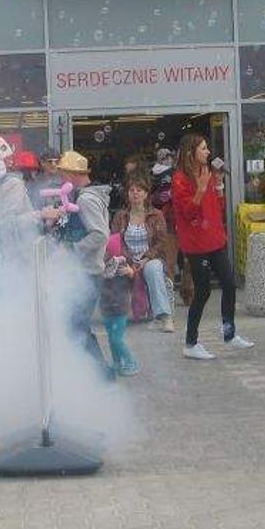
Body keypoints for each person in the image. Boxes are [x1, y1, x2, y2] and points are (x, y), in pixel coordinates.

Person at [171, 134, 254, 360]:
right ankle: (190, 343)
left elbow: (215, 208)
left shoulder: (206, 173)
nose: (208, 152)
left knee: (229, 283)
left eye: (207, 148)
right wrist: (200, 188)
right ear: (191, 152)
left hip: (214, 239)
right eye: (204, 148)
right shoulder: (180, 179)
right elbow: (188, 213)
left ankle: (229, 333)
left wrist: (217, 187)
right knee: (203, 291)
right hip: (197, 244)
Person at [44, 150, 114, 380]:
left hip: (87, 273)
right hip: (83, 272)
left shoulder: (86, 199)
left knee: (77, 326)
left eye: (64, 173)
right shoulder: (82, 197)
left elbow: (100, 235)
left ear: (74, 174)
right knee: (77, 325)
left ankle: (102, 375)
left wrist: (73, 250)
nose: (62, 179)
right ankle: (95, 374)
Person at [110, 174, 175, 331]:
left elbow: (161, 242)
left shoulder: (156, 215)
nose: (135, 193)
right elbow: (115, 241)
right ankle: (118, 314)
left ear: (146, 194)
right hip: (127, 259)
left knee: (152, 269)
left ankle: (164, 317)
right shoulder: (121, 216)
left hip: (151, 258)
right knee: (117, 270)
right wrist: (128, 261)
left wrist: (146, 258)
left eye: (139, 190)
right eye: (131, 190)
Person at [0, 150, 56, 263]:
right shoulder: (15, 184)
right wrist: (41, 214)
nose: (35, 174)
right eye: (33, 170)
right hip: (19, 253)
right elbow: (10, 221)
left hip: (18, 250)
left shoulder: (12, 184)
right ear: (25, 171)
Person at [101, 232, 139, 376]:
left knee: (117, 339)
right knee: (112, 338)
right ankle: (117, 362)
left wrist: (131, 273)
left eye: (106, 250)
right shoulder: (101, 266)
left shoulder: (122, 266)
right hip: (106, 308)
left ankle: (131, 362)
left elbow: (132, 284)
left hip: (120, 308)